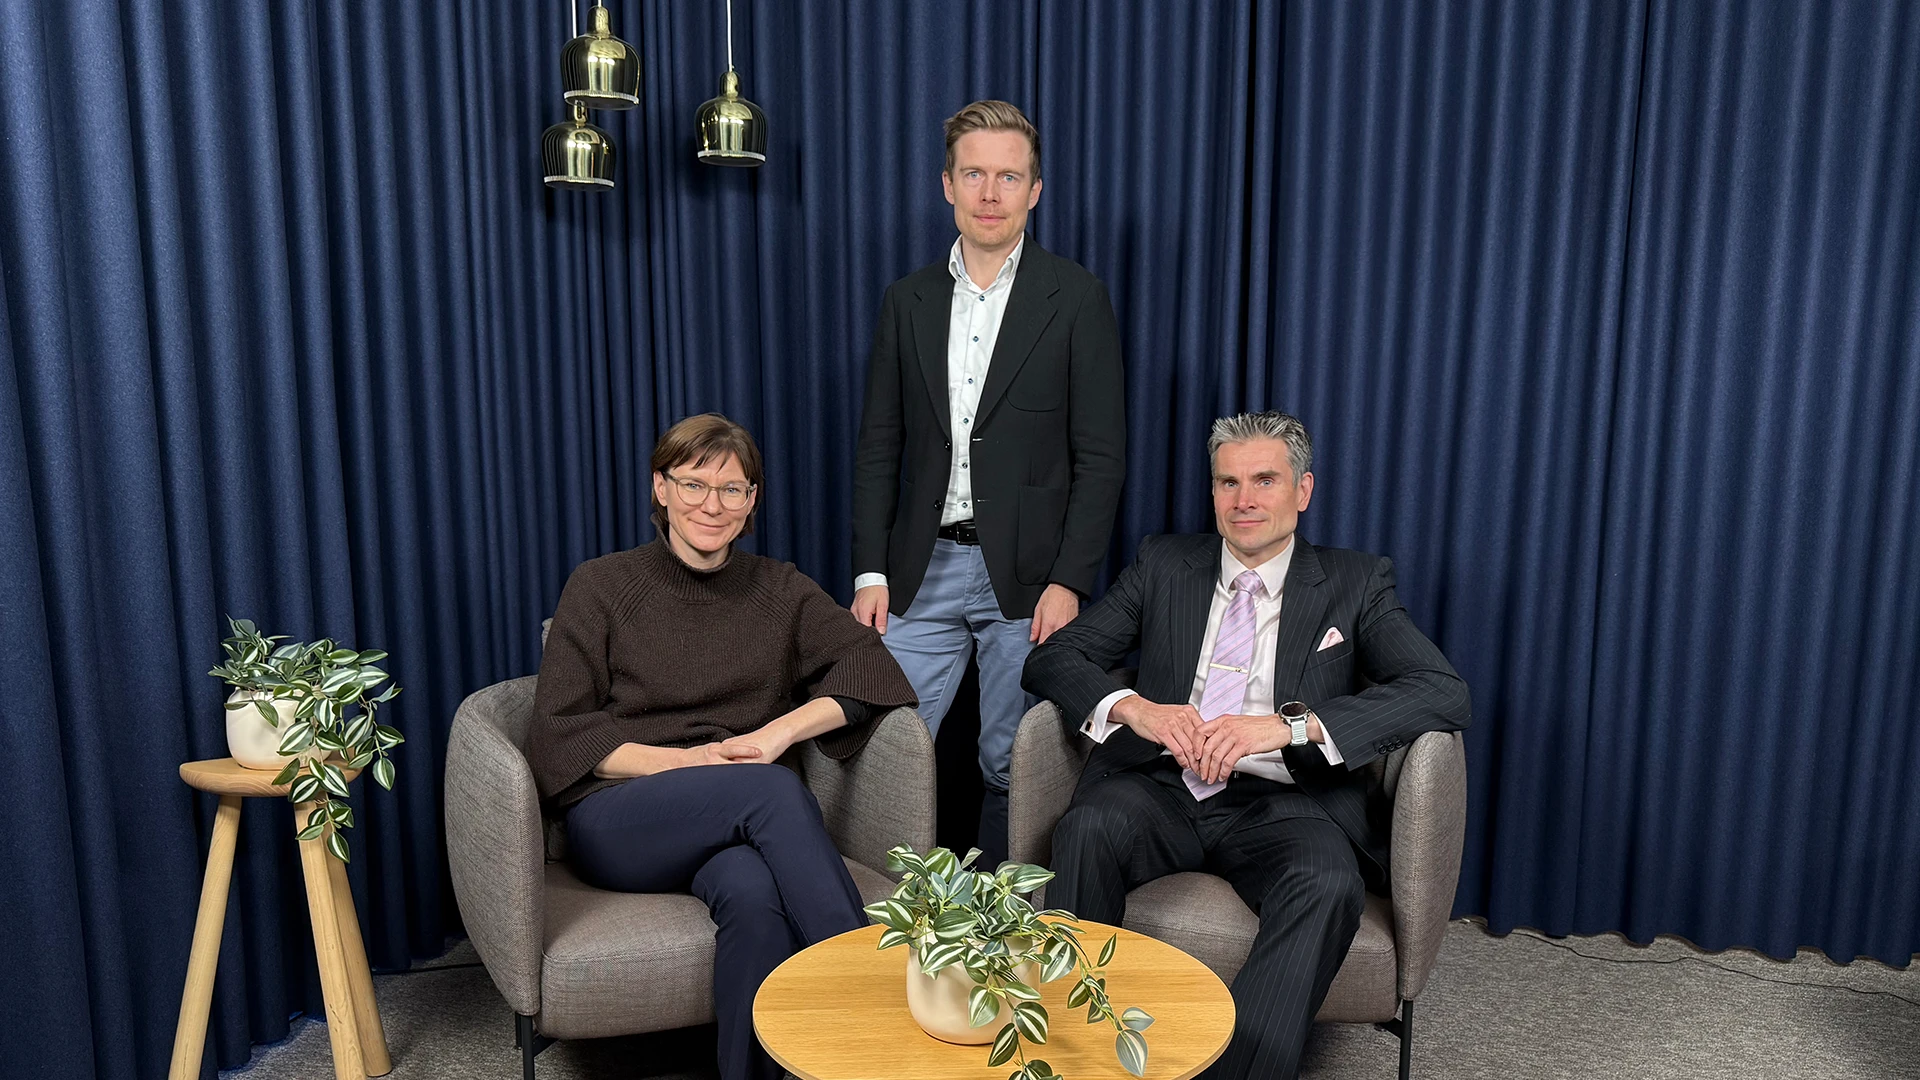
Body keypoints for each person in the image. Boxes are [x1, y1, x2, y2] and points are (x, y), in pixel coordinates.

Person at [1021, 411, 1470, 1080]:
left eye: (1265, 480)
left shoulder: (1355, 582)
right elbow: (1057, 658)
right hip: (1161, 786)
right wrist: (1138, 710)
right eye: (1227, 483)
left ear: (1303, 490)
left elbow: (1441, 690)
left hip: (1285, 801)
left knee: (1327, 882)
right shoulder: (1164, 562)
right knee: (1086, 828)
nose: (1245, 500)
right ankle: (1076, 1060)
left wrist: (1289, 726)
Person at [528, 413, 916, 1080]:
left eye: (732, 490)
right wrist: (686, 763)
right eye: (694, 484)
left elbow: (872, 668)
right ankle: (875, 1011)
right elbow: (558, 730)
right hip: (622, 813)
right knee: (770, 790)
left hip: (734, 818)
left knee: (753, 894)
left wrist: (777, 732)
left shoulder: (780, 590)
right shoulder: (601, 585)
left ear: (752, 500)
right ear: (660, 488)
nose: (713, 505)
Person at [851, 99, 1126, 866]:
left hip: (1030, 578)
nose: (991, 193)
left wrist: (1071, 579)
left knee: (1014, 762)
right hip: (920, 566)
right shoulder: (906, 301)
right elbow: (880, 444)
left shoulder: (1075, 298)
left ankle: (1010, 935)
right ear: (947, 184)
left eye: (1010, 176)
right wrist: (871, 570)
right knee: (887, 748)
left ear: (1035, 190)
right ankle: (893, 931)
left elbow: (1100, 457)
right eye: (975, 174)